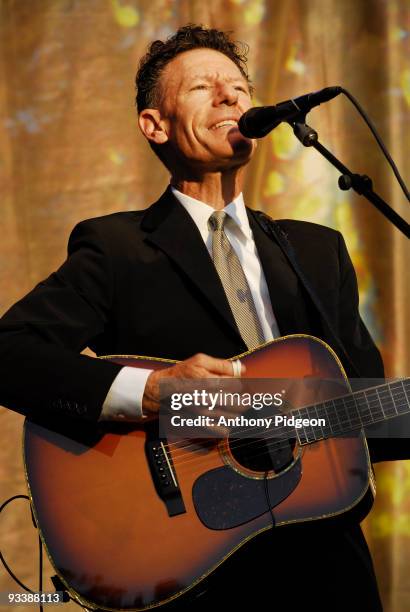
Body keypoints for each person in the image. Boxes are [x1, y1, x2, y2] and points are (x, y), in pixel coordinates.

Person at [0, 24, 406, 612]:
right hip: (193, 570)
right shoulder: (117, 248)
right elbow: (11, 353)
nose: (230, 97)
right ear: (155, 125)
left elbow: (374, 412)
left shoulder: (318, 250)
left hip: (326, 566)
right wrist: (155, 392)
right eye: (202, 87)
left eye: (239, 86)